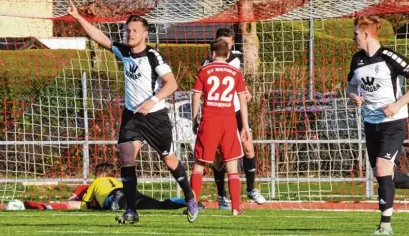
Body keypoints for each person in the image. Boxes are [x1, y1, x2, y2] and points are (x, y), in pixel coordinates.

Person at [67, 0, 197, 224]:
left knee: (169, 159)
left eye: (135, 30)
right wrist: (79, 17)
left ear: (145, 34)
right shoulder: (124, 51)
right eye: (128, 30)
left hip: (155, 116)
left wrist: (152, 100)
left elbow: (172, 84)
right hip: (132, 116)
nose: (130, 33)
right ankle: (131, 211)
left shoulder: (153, 56)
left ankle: (189, 196)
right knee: (126, 156)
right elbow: (101, 38)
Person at [346, 15, 409, 235]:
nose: (353, 37)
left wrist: (397, 104)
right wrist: (354, 97)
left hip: (393, 121)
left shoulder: (389, 57)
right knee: (384, 174)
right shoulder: (357, 60)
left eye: (356, 33)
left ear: (366, 34)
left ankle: (385, 225)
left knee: (384, 168)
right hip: (370, 122)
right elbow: (351, 87)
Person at [201, 28, 266, 209]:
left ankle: (251, 189)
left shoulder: (236, 58)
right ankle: (221, 197)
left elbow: (240, 82)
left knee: (248, 147)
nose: (228, 46)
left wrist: (246, 92)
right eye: (224, 43)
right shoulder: (208, 64)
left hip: (236, 113)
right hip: (218, 115)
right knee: (219, 158)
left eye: (230, 43)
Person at [189, 38, 250, 222]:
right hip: (228, 121)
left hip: (209, 120)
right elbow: (242, 100)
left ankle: (193, 205)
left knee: (199, 164)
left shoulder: (204, 71)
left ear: (212, 53)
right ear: (228, 54)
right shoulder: (235, 72)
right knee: (232, 165)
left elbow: (196, 96)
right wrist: (245, 126)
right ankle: (236, 208)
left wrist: (194, 119)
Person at [24, 163, 204, 211]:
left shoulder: (95, 182)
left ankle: (45, 206)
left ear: (99, 174)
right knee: (159, 205)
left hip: (115, 197)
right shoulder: (117, 179)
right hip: (131, 192)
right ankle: (188, 201)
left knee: (116, 203)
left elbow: (85, 204)